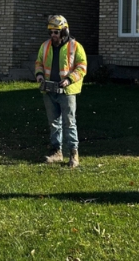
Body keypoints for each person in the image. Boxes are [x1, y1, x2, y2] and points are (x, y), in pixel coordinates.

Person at [35, 15, 87, 168]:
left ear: (64, 31)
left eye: (56, 32)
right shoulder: (45, 46)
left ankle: (73, 153)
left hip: (67, 91)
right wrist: (39, 75)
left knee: (69, 123)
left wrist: (69, 80)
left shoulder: (75, 46)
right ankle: (56, 152)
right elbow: (39, 62)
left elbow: (82, 67)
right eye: (51, 32)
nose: (53, 35)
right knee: (54, 123)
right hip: (49, 89)